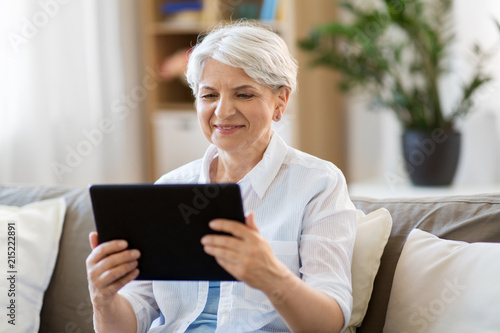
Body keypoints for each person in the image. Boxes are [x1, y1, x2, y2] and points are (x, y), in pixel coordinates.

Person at [86, 22, 357, 333]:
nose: (223, 111)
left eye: (243, 94)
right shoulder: (170, 189)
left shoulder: (318, 184)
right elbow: (130, 321)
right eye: (209, 95)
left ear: (280, 101)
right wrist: (103, 299)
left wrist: (270, 276)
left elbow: (327, 324)